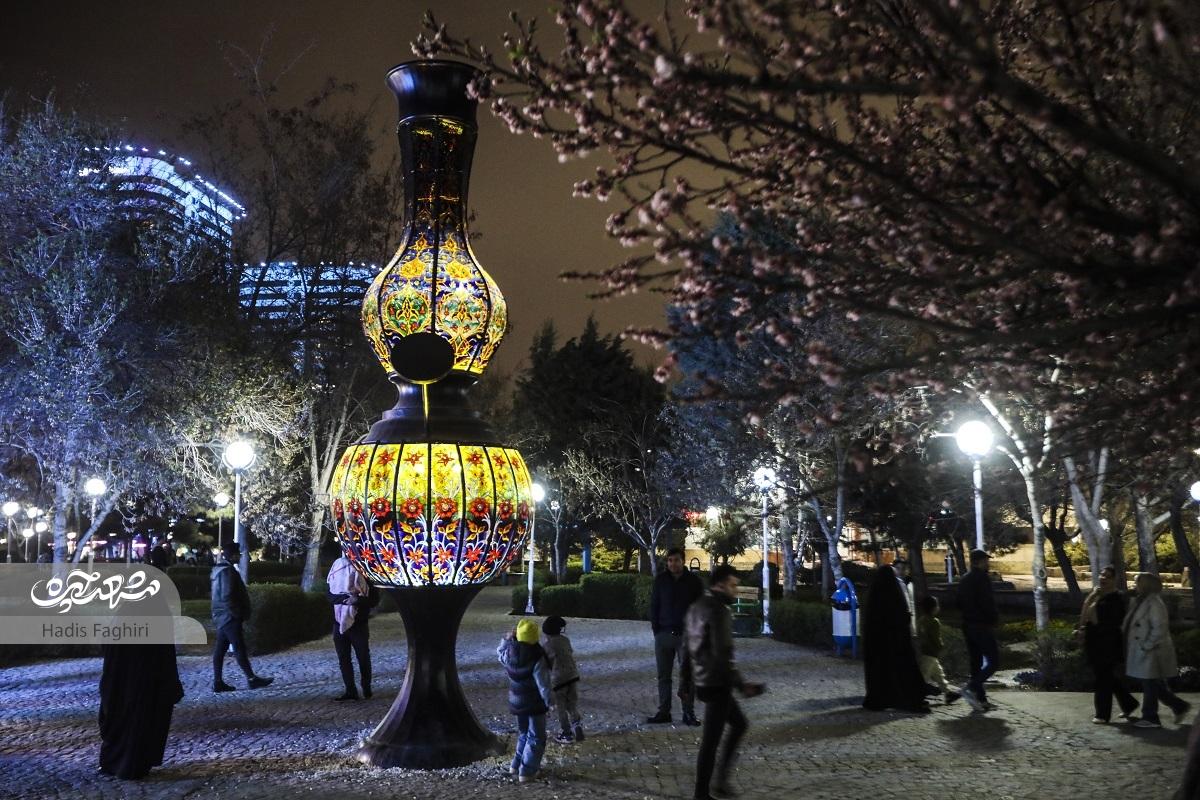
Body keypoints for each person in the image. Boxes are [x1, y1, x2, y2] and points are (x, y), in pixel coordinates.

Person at [685, 564, 764, 800]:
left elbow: (685, 647)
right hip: (717, 682)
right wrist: (742, 685)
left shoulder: (696, 606)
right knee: (710, 742)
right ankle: (704, 792)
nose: (735, 591)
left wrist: (685, 682)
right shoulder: (719, 611)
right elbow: (723, 653)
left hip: (704, 680)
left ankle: (719, 782)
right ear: (720, 585)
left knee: (739, 724)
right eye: (733, 585)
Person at [98, 594, 184, 779]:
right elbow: (164, 653)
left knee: (123, 720)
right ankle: (133, 764)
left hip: (121, 681)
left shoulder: (125, 613)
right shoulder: (157, 612)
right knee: (141, 722)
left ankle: (115, 763)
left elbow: (108, 645)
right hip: (146, 682)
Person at [1125, 572, 1191, 729]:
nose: (1135, 585)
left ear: (1145, 584)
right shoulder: (1141, 601)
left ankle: (1151, 717)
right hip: (1144, 649)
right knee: (1152, 683)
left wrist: (1146, 645)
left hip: (1152, 650)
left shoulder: (1154, 603)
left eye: (1138, 582)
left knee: (1149, 683)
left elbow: (1159, 628)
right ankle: (1179, 706)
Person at [862, 565, 930, 713]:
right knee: (902, 670)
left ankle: (882, 698)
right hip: (896, 642)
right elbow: (899, 617)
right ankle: (904, 698)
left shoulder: (874, 595)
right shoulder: (893, 594)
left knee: (881, 673)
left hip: (877, 645)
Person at [648, 546, 704, 725]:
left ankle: (688, 713)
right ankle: (664, 712)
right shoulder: (661, 580)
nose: (673, 563)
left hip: (687, 636)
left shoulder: (694, 581)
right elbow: (654, 605)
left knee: (687, 677)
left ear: (683, 561)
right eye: (670, 560)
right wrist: (656, 630)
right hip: (664, 634)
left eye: (676, 560)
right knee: (663, 676)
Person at [1076, 565, 1138, 724]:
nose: (1103, 578)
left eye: (1108, 576)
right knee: (1107, 677)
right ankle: (1129, 703)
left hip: (1107, 643)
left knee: (1103, 679)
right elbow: (1085, 616)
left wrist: (1091, 619)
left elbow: (1101, 621)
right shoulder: (1098, 596)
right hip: (1095, 642)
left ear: (1115, 579)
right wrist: (1090, 598)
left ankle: (1102, 714)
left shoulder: (1116, 599)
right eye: (1102, 575)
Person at [210, 542, 274, 692]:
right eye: (238, 554)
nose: (239, 556)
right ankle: (251, 679)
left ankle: (218, 682)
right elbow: (227, 595)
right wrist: (237, 613)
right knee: (238, 647)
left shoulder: (218, 569)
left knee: (220, 649)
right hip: (229, 616)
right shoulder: (228, 571)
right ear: (232, 555)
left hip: (221, 615)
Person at [498, 618, 553, 783]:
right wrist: (549, 702)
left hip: (516, 701)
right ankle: (527, 771)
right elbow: (543, 684)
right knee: (536, 737)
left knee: (523, 733)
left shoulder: (509, 652)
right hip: (534, 703)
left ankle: (515, 766)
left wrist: (507, 639)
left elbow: (499, 654)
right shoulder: (537, 656)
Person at [327, 555, 379, 701]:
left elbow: (374, 599)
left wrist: (357, 600)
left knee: (362, 656)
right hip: (338, 622)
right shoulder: (336, 569)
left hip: (359, 623)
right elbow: (330, 595)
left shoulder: (365, 570)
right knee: (343, 658)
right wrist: (346, 600)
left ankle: (366, 686)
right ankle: (350, 690)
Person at [957, 549, 999, 712]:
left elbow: (958, 603)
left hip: (968, 625)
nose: (987, 563)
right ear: (978, 562)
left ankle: (981, 699)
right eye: (985, 561)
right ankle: (971, 687)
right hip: (981, 626)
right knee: (993, 661)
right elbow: (987, 602)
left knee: (976, 664)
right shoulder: (982, 578)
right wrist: (993, 619)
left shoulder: (964, 579)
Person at [541, 615, 584, 743]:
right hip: (573, 675)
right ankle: (577, 724)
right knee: (572, 704)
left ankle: (566, 733)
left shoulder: (547, 646)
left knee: (560, 706)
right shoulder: (566, 640)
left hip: (558, 679)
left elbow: (546, 664)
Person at [916, 595, 961, 705]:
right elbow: (936, 638)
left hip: (924, 651)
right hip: (931, 653)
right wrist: (941, 646)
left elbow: (921, 635)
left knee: (939, 674)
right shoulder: (934, 621)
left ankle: (948, 693)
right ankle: (918, 698)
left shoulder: (921, 620)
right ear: (934, 608)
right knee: (925, 676)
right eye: (937, 605)